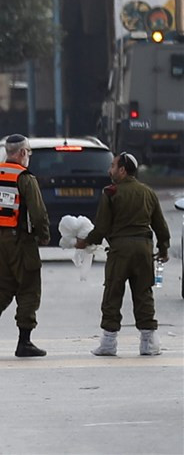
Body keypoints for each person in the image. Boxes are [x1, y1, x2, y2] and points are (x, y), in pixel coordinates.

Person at [76, 152, 171, 356]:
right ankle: (149, 343)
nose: (109, 170)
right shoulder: (148, 193)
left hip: (120, 251)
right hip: (144, 250)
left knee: (113, 293)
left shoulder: (110, 193)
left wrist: (85, 242)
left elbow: (101, 228)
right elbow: (161, 226)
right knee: (144, 293)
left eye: (112, 166)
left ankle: (109, 344)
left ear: (122, 170)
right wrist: (163, 249)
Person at [0, 134, 49, 358]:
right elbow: (38, 213)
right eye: (29, 153)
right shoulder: (25, 178)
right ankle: (24, 342)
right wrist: (44, 235)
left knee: (2, 289)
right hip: (19, 241)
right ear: (23, 153)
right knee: (29, 289)